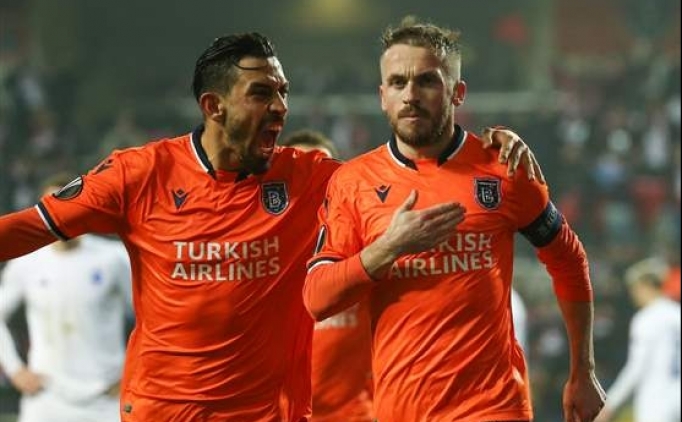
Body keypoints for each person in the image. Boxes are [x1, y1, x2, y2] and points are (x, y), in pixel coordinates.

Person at [0, 32, 544, 422]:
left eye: (283, 91)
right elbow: (27, 228)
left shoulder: (310, 177)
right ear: (213, 106)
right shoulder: (140, 174)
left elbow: (406, 172)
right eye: (262, 93)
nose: (281, 106)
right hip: (163, 410)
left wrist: (486, 152)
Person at [303, 18, 606, 422]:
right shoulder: (353, 182)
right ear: (382, 96)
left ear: (457, 92)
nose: (410, 95)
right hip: (401, 409)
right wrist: (389, 247)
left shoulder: (504, 168)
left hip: (492, 406)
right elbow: (317, 299)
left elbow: (568, 259)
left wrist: (582, 369)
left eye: (426, 81)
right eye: (397, 83)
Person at [0, 174, 131, 422]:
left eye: (68, 205)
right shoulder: (26, 263)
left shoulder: (114, 258)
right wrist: (15, 370)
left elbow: (150, 315)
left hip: (106, 399)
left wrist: (134, 372)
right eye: (53, 205)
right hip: (46, 398)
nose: (62, 214)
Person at [281, 129, 374, 422]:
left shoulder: (365, 247)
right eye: (299, 172)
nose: (311, 184)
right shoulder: (261, 258)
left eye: (321, 172)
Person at [595, 257, 681, 422]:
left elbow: (637, 367)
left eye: (634, 289)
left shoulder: (646, 319)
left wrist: (610, 404)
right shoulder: (677, 313)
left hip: (657, 399)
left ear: (645, 286)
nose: (633, 295)